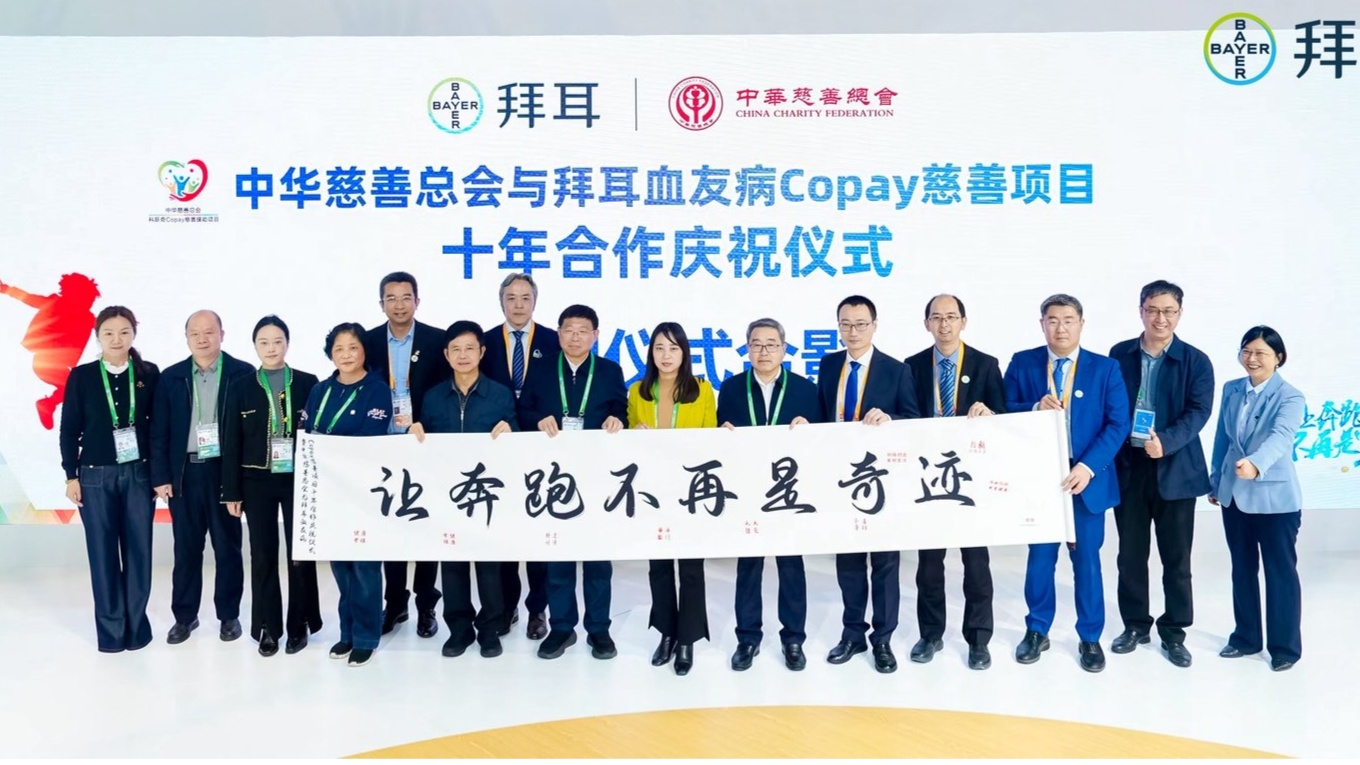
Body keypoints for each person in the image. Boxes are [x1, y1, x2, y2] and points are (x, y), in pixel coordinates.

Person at [1004, 294, 1129, 672]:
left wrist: (1088, 467)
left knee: (1087, 560)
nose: (1060, 328)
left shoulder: (1105, 368)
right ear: (1042, 324)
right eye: (1053, 320)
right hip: (1039, 480)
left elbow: (1118, 424)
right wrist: (1032, 408)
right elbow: (1002, 408)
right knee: (1040, 559)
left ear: (1081, 324)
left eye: (1068, 320)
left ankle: (1090, 637)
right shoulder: (1022, 362)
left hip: (1085, 481)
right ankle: (1037, 629)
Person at [1108, 281, 1215, 668]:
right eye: (1153, 310)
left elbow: (1199, 411)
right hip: (1130, 468)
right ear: (1141, 310)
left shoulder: (1196, 360)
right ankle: (1135, 625)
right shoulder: (1119, 354)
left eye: (1169, 311)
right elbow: (1110, 404)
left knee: (1177, 561)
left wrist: (1165, 442)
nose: (1160, 318)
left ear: (1179, 314)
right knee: (1130, 557)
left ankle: (1174, 631)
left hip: (1176, 470)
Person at [517, 304, 627, 662]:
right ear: (559, 333)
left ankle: (599, 630)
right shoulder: (542, 368)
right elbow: (523, 412)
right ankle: (562, 627)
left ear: (595, 335)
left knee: (597, 559)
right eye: (568, 329)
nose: (575, 337)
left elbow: (621, 411)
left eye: (583, 331)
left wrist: (617, 420)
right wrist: (538, 420)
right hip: (555, 477)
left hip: (597, 477)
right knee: (559, 557)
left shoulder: (610, 370)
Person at [816, 295, 920, 673]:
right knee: (849, 562)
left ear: (875, 326)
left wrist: (890, 419)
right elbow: (821, 416)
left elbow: (914, 419)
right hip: (841, 479)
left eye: (861, 324)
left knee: (885, 564)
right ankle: (852, 634)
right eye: (846, 324)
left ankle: (883, 639)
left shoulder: (897, 370)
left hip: (881, 482)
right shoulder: (829, 365)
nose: (853, 331)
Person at [903, 294, 1007, 670]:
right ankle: (930, 634)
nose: (944, 324)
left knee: (976, 564)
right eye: (936, 317)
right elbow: (905, 417)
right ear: (926, 323)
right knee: (929, 565)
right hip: (928, 478)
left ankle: (978, 639)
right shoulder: (912, 366)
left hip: (970, 479)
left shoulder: (985, 364)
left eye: (951, 317)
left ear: (964, 321)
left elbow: (1003, 416)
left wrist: (989, 413)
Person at [717, 318, 822, 672]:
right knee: (749, 565)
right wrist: (721, 432)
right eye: (756, 344)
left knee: (791, 565)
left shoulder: (805, 389)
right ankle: (747, 638)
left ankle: (793, 639)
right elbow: (719, 439)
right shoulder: (731, 388)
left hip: (789, 491)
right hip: (747, 490)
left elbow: (822, 442)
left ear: (784, 349)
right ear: (747, 349)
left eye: (771, 344)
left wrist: (810, 431)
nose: (764, 351)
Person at [410, 320, 516, 659]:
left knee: (489, 566)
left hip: (488, 496)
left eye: (470, 348)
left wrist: (512, 429)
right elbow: (424, 445)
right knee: (452, 563)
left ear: (482, 352)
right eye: (455, 349)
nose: (463, 355)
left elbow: (518, 442)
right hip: (447, 494)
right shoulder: (433, 397)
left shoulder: (500, 394)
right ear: (446, 354)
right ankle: (459, 629)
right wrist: (414, 433)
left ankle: (490, 629)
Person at [58, 306, 159, 652]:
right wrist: (70, 475)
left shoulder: (148, 373)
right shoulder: (82, 376)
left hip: (139, 474)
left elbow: (159, 428)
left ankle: (136, 629)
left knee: (139, 552)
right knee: (102, 555)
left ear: (134, 334)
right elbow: (69, 429)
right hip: (94, 477)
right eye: (109, 333)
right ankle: (111, 634)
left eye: (124, 332)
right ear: (98, 336)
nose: (117, 339)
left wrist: (159, 475)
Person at [220, 316, 322, 657]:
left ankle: (299, 624)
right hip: (255, 481)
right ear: (254, 346)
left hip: (299, 479)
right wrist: (231, 491)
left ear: (287, 344)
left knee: (300, 554)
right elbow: (231, 440)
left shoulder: (308, 383)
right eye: (263, 342)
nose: (271, 348)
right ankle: (268, 627)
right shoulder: (241, 386)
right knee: (262, 554)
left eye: (278, 341)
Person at [151, 310, 254, 644]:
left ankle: (229, 616)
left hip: (225, 472)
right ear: (186, 338)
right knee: (186, 550)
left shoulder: (242, 373)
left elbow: (250, 431)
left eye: (209, 332)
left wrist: (242, 480)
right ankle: (185, 617)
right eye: (194, 333)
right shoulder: (172, 377)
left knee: (228, 549)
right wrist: (161, 476)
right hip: (185, 474)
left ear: (222, 334)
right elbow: (159, 431)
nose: (202, 338)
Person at [1209, 326, 1305, 672]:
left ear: (1278, 358)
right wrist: (1216, 479)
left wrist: (1255, 463)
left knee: (1280, 573)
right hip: (1234, 495)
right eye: (1246, 351)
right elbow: (1223, 438)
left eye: (1261, 353)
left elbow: (1281, 437)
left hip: (1274, 499)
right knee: (1242, 568)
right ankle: (1246, 638)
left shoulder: (1290, 396)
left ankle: (1284, 648)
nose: (1252, 359)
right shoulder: (1232, 389)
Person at [629, 322, 718, 676]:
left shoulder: (702, 390)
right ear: (651, 353)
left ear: (684, 353)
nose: (666, 356)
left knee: (691, 568)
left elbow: (711, 437)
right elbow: (626, 441)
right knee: (660, 567)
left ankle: (687, 640)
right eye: (659, 348)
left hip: (690, 491)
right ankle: (666, 633)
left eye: (673, 348)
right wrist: (632, 432)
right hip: (652, 492)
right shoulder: (638, 391)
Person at [362, 271, 446, 639]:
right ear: (381, 303)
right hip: (383, 447)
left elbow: (445, 389)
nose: (399, 305)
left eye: (406, 297)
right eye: (391, 298)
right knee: (390, 527)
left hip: (424, 445)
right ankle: (394, 603)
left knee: (426, 526)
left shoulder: (437, 340)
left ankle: (426, 605)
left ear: (417, 301)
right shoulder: (366, 342)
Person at [305, 322, 393, 667]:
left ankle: (367, 636)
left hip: (365, 491)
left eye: (353, 348)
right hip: (329, 490)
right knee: (341, 564)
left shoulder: (377, 389)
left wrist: (330, 446)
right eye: (339, 349)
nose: (346, 355)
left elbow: (370, 439)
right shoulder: (320, 390)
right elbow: (308, 435)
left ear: (364, 351)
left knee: (365, 565)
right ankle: (348, 633)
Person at [480, 274, 559, 641]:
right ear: (501, 302)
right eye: (511, 297)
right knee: (505, 530)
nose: (518, 305)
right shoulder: (483, 342)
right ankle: (506, 605)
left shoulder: (553, 341)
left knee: (538, 532)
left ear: (535, 302)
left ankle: (537, 608)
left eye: (525, 298)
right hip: (498, 449)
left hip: (542, 447)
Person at [1, 273, 101, 429]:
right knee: (76, 386)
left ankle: (50, 405)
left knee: (77, 387)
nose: (89, 303)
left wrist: (123, 323)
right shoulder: (56, 303)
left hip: (50, 364)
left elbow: (106, 324)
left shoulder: (87, 317)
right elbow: (28, 298)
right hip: (45, 361)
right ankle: (52, 406)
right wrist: (6, 289)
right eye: (88, 299)